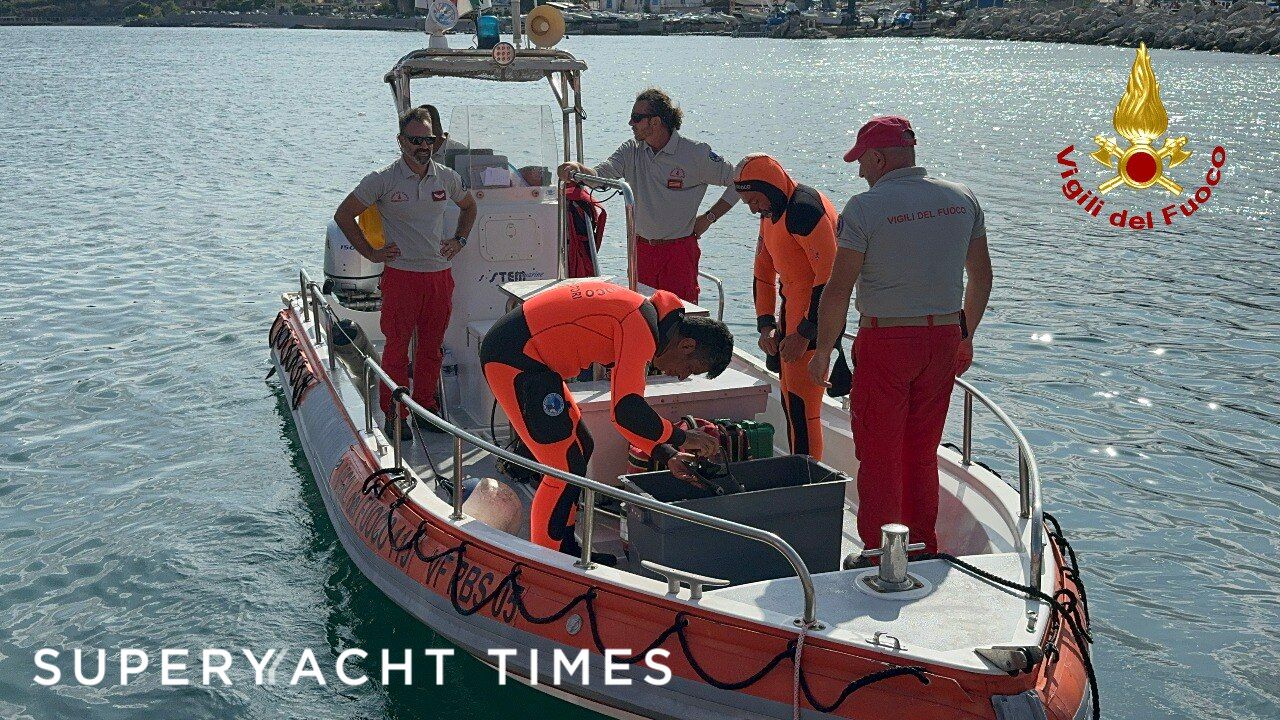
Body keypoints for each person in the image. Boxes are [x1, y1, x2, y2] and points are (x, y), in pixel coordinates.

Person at [809, 115, 993, 556]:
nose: (859, 172)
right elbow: (982, 276)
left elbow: (839, 287)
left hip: (887, 342)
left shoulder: (865, 208)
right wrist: (965, 334)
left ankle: (880, 551)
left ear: (878, 157)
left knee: (879, 452)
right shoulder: (962, 198)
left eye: (861, 161)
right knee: (922, 449)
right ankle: (924, 545)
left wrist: (822, 351)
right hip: (945, 337)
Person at [480, 279, 732, 559]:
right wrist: (684, 437)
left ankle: (566, 550)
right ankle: (544, 561)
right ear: (687, 345)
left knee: (581, 448)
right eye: (691, 368)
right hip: (514, 357)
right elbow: (627, 410)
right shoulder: (639, 327)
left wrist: (667, 453)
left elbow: (623, 413)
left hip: (534, 361)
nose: (682, 376)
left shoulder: (644, 317)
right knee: (562, 468)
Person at [333, 105, 478, 440]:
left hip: (440, 276)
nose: (421, 146)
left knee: (431, 348)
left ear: (436, 141)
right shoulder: (382, 180)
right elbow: (344, 215)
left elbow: (470, 206)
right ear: (401, 141)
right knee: (397, 349)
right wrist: (370, 252)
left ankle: (426, 410)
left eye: (427, 139)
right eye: (414, 140)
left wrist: (460, 239)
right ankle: (395, 415)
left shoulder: (447, 177)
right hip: (401, 277)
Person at [557, 88, 739, 303]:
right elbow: (601, 174)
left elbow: (740, 180)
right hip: (640, 251)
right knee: (644, 318)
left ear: (655, 121)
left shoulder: (695, 153)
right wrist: (578, 169)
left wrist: (709, 218)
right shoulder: (631, 150)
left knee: (681, 321)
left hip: (679, 253)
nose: (630, 123)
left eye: (636, 118)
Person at [735, 153, 838, 460]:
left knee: (803, 408)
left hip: (814, 318)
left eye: (755, 200)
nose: (754, 209)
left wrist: (805, 333)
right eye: (749, 204)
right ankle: (799, 468)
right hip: (789, 313)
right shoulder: (771, 211)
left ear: (771, 187)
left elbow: (829, 279)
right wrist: (765, 323)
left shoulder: (804, 210)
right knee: (791, 403)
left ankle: (807, 479)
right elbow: (762, 272)